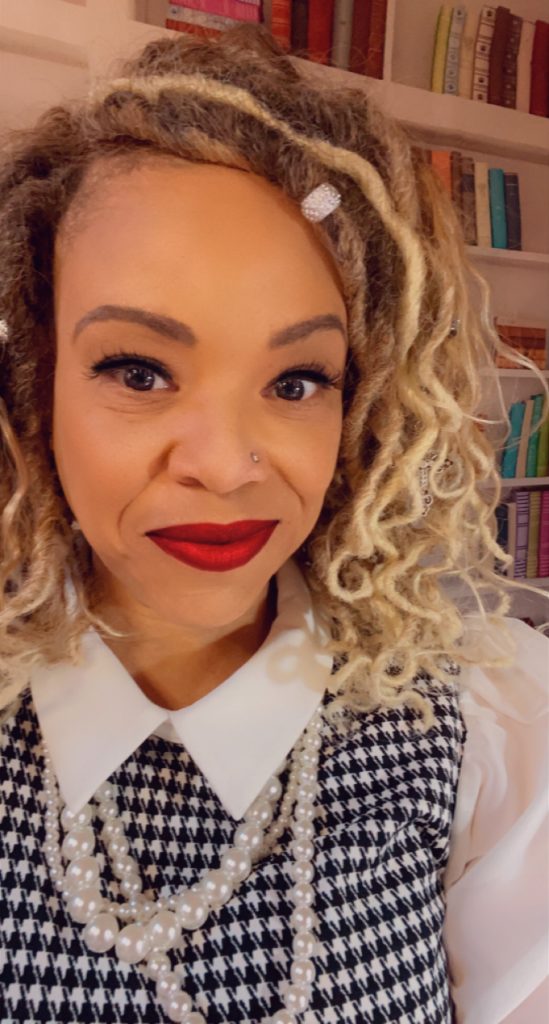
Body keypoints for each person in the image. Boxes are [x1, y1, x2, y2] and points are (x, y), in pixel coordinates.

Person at [0, 23, 547, 1024]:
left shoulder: (486, 725)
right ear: (34, 381)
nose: (224, 462)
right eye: (138, 371)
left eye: (297, 380)